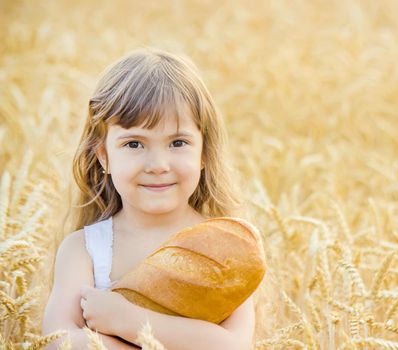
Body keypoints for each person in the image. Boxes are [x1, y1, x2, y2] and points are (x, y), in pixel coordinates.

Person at [42, 47, 256, 350]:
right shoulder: (84, 250)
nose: (157, 164)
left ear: (204, 154)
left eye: (178, 142)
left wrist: (126, 321)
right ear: (104, 157)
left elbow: (234, 347)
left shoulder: (224, 247)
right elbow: (58, 342)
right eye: (134, 144)